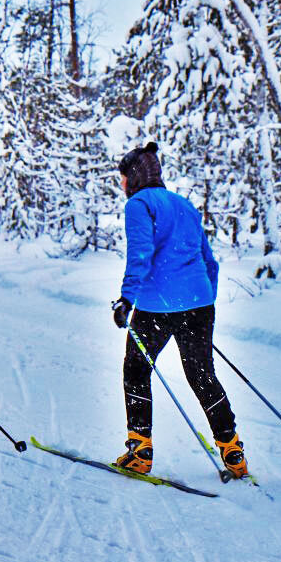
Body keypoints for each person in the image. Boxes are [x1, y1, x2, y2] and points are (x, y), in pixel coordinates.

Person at [111, 142, 248, 479]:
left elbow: (140, 253)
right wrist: (202, 303)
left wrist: (126, 299)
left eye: (123, 178)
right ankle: (232, 452)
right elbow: (209, 262)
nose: (122, 185)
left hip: (157, 306)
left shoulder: (138, 205)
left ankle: (140, 450)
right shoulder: (185, 205)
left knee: (136, 369)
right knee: (202, 376)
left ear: (134, 177)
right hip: (199, 304)